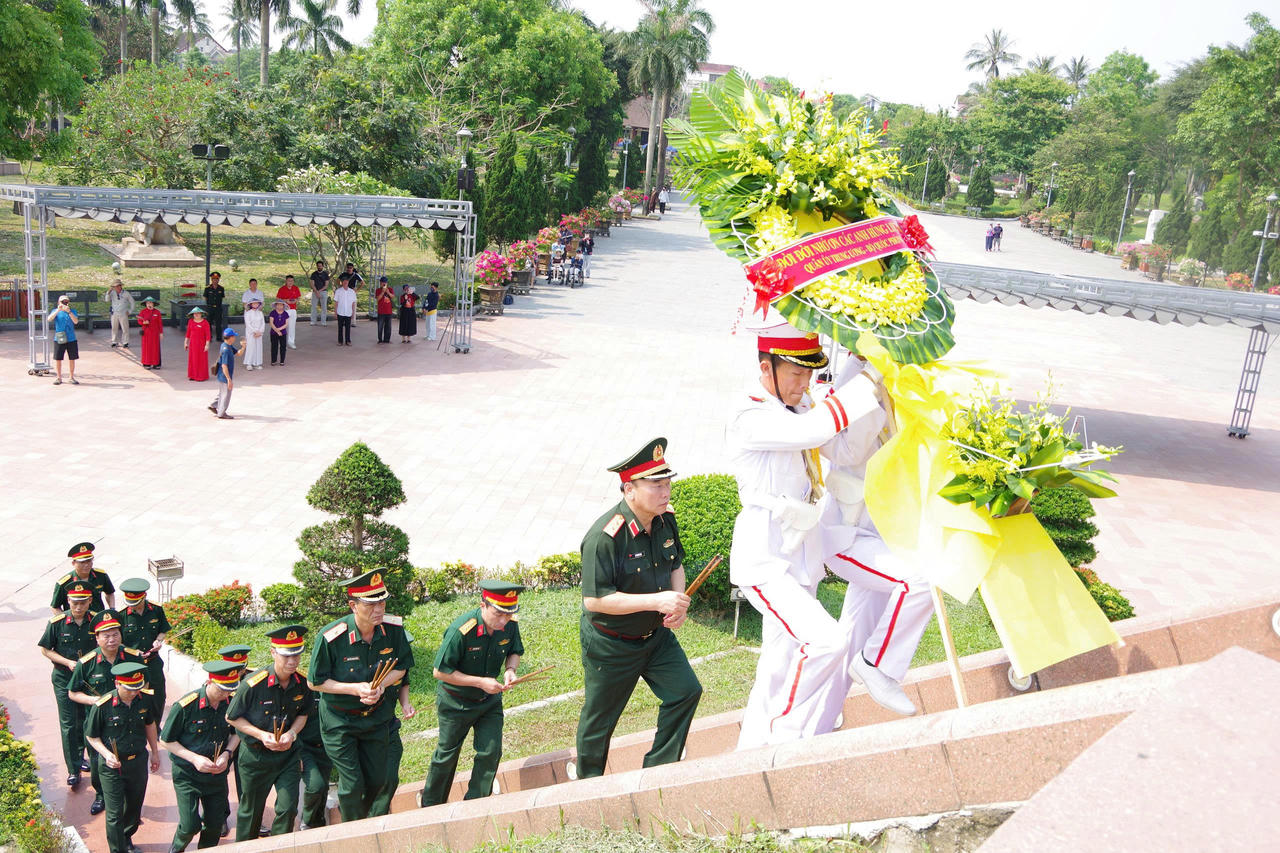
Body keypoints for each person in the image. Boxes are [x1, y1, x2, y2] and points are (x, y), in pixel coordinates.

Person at [725, 321, 899, 750]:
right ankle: (784, 739)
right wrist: (868, 377)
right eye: (796, 374)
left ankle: (750, 750)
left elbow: (846, 450)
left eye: (809, 374)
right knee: (827, 642)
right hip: (764, 558)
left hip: (799, 553)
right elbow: (815, 432)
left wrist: (871, 387)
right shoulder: (750, 413)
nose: (805, 384)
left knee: (779, 662)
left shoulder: (799, 407)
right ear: (766, 368)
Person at [570, 438, 701, 781]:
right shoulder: (605, 536)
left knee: (686, 691)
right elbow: (595, 600)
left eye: (668, 481)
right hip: (611, 643)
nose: (666, 490)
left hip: (655, 637)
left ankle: (657, 772)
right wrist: (657, 602)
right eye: (656, 484)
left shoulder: (663, 520)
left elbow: (676, 564)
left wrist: (677, 601)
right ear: (629, 488)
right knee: (600, 722)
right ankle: (587, 787)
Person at [308, 569, 413, 822]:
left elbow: (401, 668)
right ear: (353, 605)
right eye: (371, 604)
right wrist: (355, 689)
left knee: (380, 780)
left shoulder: (393, 629)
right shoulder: (331, 637)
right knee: (352, 783)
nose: (379, 609)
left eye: (382, 601)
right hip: (340, 721)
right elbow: (315, 682)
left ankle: (363, 822)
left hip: (375, 719)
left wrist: (380, 687)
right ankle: (353, 834)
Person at [421, 581, 525, 806]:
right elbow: (440, 671)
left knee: (490, 751)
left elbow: (515, 650)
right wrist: (480, 682)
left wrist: (510, 670)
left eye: (508, 615)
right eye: (498, 614)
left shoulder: (509, 624)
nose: (503, 621)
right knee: (446, 756)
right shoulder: (461, 630)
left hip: (488, 702)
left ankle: (476, 804)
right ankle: (430, 806)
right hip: (455, 702)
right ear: (483, 605)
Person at [226, 625, 311, 841]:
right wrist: (260, 734)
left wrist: (291, 733)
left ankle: (278, 846)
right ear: (273, 652)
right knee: (251, 812)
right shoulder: (253, 684)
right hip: (256, 758)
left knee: (288, 808)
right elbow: (232, 717)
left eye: (297, 655)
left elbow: (303, 714)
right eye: (286, 656)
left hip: (287, 757)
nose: (292, 661)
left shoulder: (301, 684)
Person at [68, 611, 147, 817]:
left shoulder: (133, 657)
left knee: (131, 761)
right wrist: (93, 701)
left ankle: (130, 806)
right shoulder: (86, 663)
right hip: (99, 723)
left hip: (129, 719)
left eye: (115, 634)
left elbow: (145, 685)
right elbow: (72, 692)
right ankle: (101, 795)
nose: (111, 639)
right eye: (106, 635)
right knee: (97, 763)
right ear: (96, 638)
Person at [160, 661, 240, 851]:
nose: (225, 695)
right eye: (221, 690)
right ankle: (176, 849)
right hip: (188, 776)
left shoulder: (231, 702)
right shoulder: (186, 706)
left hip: (216, 775)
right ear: (209, 682)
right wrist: (194, 759)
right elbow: (166, 740)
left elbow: (237, 732)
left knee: (215, 824)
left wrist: (227, 754)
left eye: (229, 690)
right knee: (189, 826)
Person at [84, 662, 161, 853]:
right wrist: (107, 754)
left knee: (134, 805)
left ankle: (126, 837)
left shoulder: (144, 699)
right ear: (118, 684)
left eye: (137, 688)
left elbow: (150, 724)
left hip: (137, 761)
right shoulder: (103, 705)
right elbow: (91, 736)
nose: (134, 692)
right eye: (130, 689)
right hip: (112, 765)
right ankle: (117, 849)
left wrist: (155, 753)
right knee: (114, 813)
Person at [37, 580, 97, 789]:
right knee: (69, 723)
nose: (78, 607)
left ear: (90, 601)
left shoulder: (97, 621)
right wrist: (67, 662)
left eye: (82, 602)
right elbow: (46, 649)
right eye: (74, 602)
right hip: (65, 679)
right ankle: (73, 768)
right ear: (68, 601)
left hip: (90, 680)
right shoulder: (57, 623)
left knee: (89, 720)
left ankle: (88, 759)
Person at [118, 578, 170, 717]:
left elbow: (163, 630)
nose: (132, 606)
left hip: (153, 662)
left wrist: (158, 641)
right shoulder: (121, 615)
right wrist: (133, 652)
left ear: (144, 596)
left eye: (136, 603)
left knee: (158, 697)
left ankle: (156, 728)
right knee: (135, 700)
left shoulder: (156, 609)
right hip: (132, 665)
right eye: (130, 603)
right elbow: (118, 642)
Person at [366, 678, 414, 817]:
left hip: (389, 726)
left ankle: (377, 817)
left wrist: (405, 704)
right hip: (362, 730)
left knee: (391, 777)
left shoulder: (397, 660)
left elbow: (403, 681)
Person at [296, 691, 333, 831]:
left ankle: (318, 822)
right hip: (304, 747)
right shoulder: (301, 690)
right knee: (315, 785)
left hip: (326, 746)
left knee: (323, 788)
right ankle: (307, 820)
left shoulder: (332, 685)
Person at [52, 541, 117, 613]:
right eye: (82, 562)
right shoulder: (64, 583)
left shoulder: (101, 575)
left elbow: (110, 593)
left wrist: (112, 609)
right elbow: (55, 607)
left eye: (89, 561)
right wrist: (64, 621)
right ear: (73, 563)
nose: (86, 565)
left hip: (96, 618)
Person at [209, 327, 243, 420]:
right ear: (230, 337)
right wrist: (228, 379)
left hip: (221, 375)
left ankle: (214, 406)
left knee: (222, 393)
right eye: (234, 336)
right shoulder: (226, 350)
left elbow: (238, 354)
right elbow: (224, 366)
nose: (235, 338)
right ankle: (221, 413)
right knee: (226, 395)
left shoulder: (226, 345)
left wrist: (243, 347)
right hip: (224, 375)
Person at [50, 294, 80, 385]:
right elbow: (49, 319)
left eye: (66, 302)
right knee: (58, 358)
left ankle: (71, 377)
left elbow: (76, 321)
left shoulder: (72, 311)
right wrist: (58, 310)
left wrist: (69, 312)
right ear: (59, 302)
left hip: (71, 338)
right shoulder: (55, 311)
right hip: (59, 338)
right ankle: (59, 377)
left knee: (72, 358)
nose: (65, 303)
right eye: (63, 302)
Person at [106, 279, 135, 349]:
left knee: (125, 328)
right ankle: (114, 341)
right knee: (114, 327)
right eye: (114, 286)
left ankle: (125, 342)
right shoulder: (112, 293)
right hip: (114, 313)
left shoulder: (126, 293)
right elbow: (107, 300)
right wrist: (108, 292)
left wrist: (130, 311)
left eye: (117, 286)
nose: (116, 287)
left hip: (123, 313)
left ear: (120, 286)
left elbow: (132, 302)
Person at [184, 306, 211, 381]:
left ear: (201, 314)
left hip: (202, 345)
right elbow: (188, 333)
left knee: (201, 360)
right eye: (194, 313)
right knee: (193, 359)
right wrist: (186, 342)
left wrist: (207, 344)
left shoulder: (205, 323)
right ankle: (192, 375)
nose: (196, 315)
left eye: (198, 313)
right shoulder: (190, 322)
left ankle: (201, 376)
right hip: (193, 344)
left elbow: (208, 335)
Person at [137, 296, 163, 369]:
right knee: (146, 348)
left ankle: (156, 363)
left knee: (155, 348)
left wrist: (161, 333)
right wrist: (143, 322)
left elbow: (160, 323)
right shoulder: (143, 312)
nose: (149, 304)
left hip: (155, 333)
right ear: (145, 304)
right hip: (146, 333)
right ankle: (146, 363)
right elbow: (139, 321)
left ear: (153, 304)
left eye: (151, 302)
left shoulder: (157, 312)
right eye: (147, 303)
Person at [277, 275, 301, 349]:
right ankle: (282, 343)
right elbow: (277, 299)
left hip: (293, 310)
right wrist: (285, 301)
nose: (290, 282)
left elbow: (298, 297)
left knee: (292, 327)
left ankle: (291, 342)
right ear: (286, 281)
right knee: (283, 326)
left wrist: (295, 300)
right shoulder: (282, 289)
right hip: (284, 310)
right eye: (289, 281)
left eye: (292, 281)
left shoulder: (296, 288)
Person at [333, 274, 357, 347]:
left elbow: (353, 303)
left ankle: (348, 341)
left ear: (348, 282)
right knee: (340, 328)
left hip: (348, 312)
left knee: (348, 328)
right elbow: (336, 302)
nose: (345, 283)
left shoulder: (352, 292)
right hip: (340, 312)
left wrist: (353, 312)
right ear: (342, 282)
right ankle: (340, 341)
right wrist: (335, 312)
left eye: (347, 281)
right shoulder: (338, 291)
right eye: (344, 281)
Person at [243, 299, 265, 370]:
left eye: (257, 303)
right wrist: (254, 331)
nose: (255, 305)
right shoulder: (248, 313)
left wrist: (260, 331)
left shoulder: (260, 313)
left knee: (258, 347)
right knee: (251, 347)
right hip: (251, 333)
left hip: (259, 333)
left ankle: (257, 363)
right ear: (251, 305)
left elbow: (263, 323)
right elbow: (248, 324)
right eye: (254, 303)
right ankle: (249, 363)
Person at [204, 272, 226, 340]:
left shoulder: (221, 288)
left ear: (218, 280)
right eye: (213, 279)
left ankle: (219, 337)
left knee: (218, 323)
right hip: (210, 308)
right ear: (211, 280)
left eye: (217, 279)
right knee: (208, 324)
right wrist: (209, 305)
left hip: (218, 308)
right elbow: (205, 297)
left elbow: (222, 297)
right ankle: (209, 337)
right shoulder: (207, 288)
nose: (215, 281)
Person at [374, 276, 395, 344]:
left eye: (385, 282)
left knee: (388, 327)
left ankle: (387, 339)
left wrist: (388, 292)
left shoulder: (390, 289)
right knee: (380, 326)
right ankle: (380, 339)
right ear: (380, 283)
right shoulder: (378, 290)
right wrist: (382, 292)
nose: (384, 284)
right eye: (382, 282)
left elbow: (393, 297)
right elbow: (377, 299)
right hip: (381, 311)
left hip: (388, 311)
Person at [268, 299, 289, 366]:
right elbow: (271, 323)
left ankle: (282, 361)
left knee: (283, 346)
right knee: (274, 346)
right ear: (275, 305)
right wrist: (276, 330)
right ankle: (273, 360)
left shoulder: (286, 313)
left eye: (281, 305)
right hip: (273, 332)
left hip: (283, 332)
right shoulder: (272, 313)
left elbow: (286, 324)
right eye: (278, 305)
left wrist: (279, 329)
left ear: (283, 306)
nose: (279, 306)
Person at [309, 261, 330, 326]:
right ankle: (313, 321)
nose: (319, 267)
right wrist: (316, 291)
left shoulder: (326, 274)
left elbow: (326, 285)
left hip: (323, 292)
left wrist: (319, 291)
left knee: (324, 307)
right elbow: (312, 284)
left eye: (320, 266)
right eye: (318, 266)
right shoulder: (313, 274)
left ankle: (323, 322)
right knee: (314, 307)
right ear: (317, 266)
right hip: (315, 292)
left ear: (322, 266)